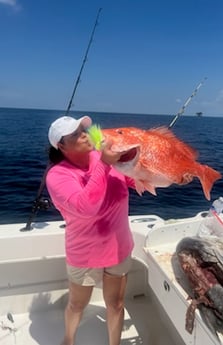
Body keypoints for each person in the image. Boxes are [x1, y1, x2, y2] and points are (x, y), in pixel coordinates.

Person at [46, 115, 135, 345]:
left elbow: (134, 180)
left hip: (118, 245)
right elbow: (86, 208)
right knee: (77, 305)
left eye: (82, 129)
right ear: (61, 146)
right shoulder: (57, 176)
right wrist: (104, 164)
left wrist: (168, 175)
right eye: (75, 134)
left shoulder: (103, 156)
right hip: (85, 252)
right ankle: (68, 340)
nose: (84, 134)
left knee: (115, 303)